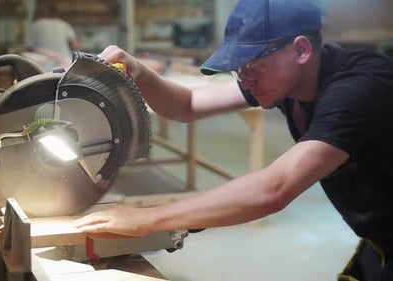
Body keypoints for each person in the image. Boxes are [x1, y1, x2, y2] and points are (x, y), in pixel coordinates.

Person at [73, 0, 393, 280]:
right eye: (240, 68)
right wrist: (139, 72)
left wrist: (148, 218)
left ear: (301, 50)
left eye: (254, 65)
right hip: (378, 240)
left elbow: (274, 188)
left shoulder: (359, 90)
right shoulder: (285, 80)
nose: (246, 79)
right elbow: (187, 105)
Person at [24, 2, 80, 69]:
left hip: (43, 66)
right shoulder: (64, 25)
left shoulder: (36, 25)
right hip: (64, 65)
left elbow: (29, 48)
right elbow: (76, 46)